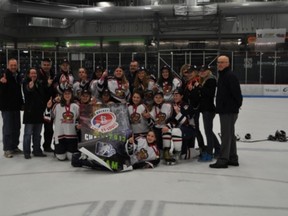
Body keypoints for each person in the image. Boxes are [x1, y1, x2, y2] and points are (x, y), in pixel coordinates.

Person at [209, 55, 243, 169]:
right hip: (226, 110)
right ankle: (233, 158)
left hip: (228, 111)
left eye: (223, 62)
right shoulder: (223, 75)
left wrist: (234, 107)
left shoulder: (230, 76)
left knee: (226, 135)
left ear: (228, 64)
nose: (220, 64)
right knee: (230, 135)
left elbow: (237, 94)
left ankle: (223, 159)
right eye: (218, 62)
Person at [162, 88, 197, 165]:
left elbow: (186, 122)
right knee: (166, 129)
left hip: (190, 130)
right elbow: (174, 121)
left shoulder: (186, 106)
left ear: (181, 96)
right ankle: (166, 151)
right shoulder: (174, 106)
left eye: (177, 95)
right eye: (174, 95)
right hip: (181, 131)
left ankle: (178, 153)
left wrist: (178, 113)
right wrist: (167, 126)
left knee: (175, 131)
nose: (175, 97)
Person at [45, 87, 80, 161]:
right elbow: (47, 118)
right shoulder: (57, 106)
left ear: (71, 95)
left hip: (72, 136)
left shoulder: (76, 106)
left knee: (71, 157)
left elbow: (78, 119)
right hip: (60, 136)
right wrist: (48, 107)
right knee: (61, 157)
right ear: (62, 95)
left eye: (69, 93)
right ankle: (59, 150)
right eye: (65, 94)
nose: (67, 95)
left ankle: (68, 150)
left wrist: (78, 125)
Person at [0, 58, 24, 158]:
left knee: (16, 128)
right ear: (8, 66)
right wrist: (2, 83)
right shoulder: (3, 76)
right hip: (7, 108)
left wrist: (21, 104)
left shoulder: (18, 76)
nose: (13, 67)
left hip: (16, 107)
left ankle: (14, 146)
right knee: (8, 128)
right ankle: (7, 149)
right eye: (11, 65)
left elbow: (18, 92)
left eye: (15, 65)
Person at [22, 68, 47, 159]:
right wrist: (30, 88)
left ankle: (37, 150)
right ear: (28, 74)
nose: (33, 75)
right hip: (29, 113)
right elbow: (27, 90)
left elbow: (42, 96)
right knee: (28, 134)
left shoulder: (39, 83)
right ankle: (26, 152)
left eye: (35, 73)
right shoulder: (26, 83)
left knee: (37, 134)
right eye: (32, 73)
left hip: (39, 113)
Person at [197, 65, 221, 162]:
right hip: (205, 109)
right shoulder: (204, 80)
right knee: (208, 130)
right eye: (201, 71)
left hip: (208, 109)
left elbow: (209, 94)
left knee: (208, 131)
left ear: (208, 71)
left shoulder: (211, 80)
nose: (202, 72)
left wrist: (199, 87)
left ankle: (210, 153)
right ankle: (218, 148)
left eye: (204, 71)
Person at [182, 65, 205, 153]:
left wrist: (192, 91)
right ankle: (193, 146)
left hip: (195, 109)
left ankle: (202, 147)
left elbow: (197, 97)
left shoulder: (197, 81)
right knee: (192, 128)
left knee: (196, 128)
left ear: (195, 72)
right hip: (190, 109)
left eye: (191, 72)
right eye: (188, 72)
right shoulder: (189, 81)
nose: (189, 74)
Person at [38, 58, 55, 152]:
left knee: (49, 127)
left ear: (50, 65)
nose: (46, 66)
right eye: (44, 64)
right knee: (37, 128)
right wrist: (46, 84)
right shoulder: (38, 74)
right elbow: (39, 89)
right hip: (40, 106)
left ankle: (47, 146)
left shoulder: (52, 74)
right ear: (41, 65)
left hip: (49, 105)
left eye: (48, 65)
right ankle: (36, 147)